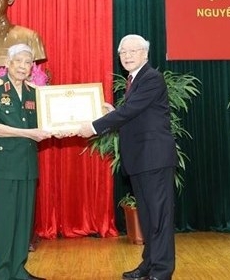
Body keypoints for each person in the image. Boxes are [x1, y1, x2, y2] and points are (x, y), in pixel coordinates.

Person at [78, 34, 177, 280]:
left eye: (133, 51)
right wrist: (114, 113)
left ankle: (162, 271)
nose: (128, 56)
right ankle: (148, 265)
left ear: (145, 53)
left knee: (159, 217)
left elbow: (131, 111)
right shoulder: (134, 80)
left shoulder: (152, 78)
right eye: (123, 53)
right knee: (147, 216)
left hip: (154, 158)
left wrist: (93, 126)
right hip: (141, 159)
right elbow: (133, 115)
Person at [0, 43, 52, 280]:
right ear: (8, 63)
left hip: (28, 165)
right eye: (18, 61)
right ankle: (0, 273)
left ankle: (18, 269)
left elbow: (51, 120)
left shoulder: (34, 93)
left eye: (28, 62)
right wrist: (28, 133)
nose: (23, 66)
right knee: (4, 222)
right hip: (3, 165)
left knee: (23, 222)